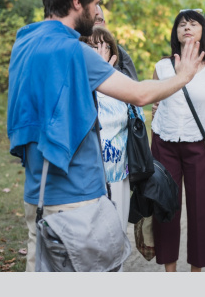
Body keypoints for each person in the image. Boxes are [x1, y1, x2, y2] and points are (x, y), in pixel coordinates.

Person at [7, 0, 203, 272]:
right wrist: (184, 76)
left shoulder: (25, 42)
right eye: (96, 2)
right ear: (77, 3)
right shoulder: (74, 52)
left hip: (38, 193)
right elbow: (139, 94)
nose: (98, 11)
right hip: (76, 200)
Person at [150, 9, 205, 272]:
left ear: (203, 31)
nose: (186, 27)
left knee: (200, 208)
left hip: (200, 144)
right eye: (181, 24)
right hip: (164, 141)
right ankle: (169, 271)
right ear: (175, 32)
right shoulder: (162, 66)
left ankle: (197, 271)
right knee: (166, 205)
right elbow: (156, 101)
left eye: (193, 23)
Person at [79, 26, 136, 271]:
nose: (98, 52)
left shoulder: (122, 85)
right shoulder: (78, 84)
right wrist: (97, 72)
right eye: (92, 47)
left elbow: (137, 118)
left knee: (116, 238)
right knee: (91, 243)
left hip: (118, 176)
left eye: (103, 47)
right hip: (88, 178)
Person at [94, 4, 139, 80]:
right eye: (90, 19)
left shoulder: (119, 53)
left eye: (98, 20)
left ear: (104, 24)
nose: (94, 23)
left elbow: (133, 84)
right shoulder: (76, 51)